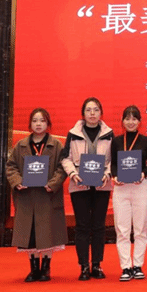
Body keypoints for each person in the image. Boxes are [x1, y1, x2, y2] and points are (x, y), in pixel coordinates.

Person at [6, 108, 68, 282]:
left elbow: (62, 167)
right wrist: (17, 181)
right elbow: (11, 166)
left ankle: (46, 267)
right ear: (30, 124)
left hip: (48, 196)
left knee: (48, 232)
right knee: (30, 233)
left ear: (48, 124)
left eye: (42, 121)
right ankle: (33, 268)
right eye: (35, 121)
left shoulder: (56, 145)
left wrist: (53, 183)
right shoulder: (21, 145)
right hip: (27, 196)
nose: (38, 124)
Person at [60, 97, 114, 280]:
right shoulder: (73, 133)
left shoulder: (109, 134)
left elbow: (113, 159)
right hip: (79, 185)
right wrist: (73, 174)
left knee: (99, 226)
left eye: (96, 110)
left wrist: (107, 173)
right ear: (83, 113)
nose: (92, 113)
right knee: (82, 226)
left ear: (101, 113)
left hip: (102, 185)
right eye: (89, 110)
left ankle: (97, 264)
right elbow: (65, 158)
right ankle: (83, 266)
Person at [110, 105, 147, 281]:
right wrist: (115, 176)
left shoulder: (146, 141)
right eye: (127, 119)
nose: (130, 122)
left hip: (140, 187)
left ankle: (137, 265)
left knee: (140, 229)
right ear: (122, 121)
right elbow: (113, 163)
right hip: (121, 188)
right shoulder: (116, 141)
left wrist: (143, 173)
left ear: (139, 122)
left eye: (134, 119)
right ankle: (125, 267)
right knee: (122, 229)